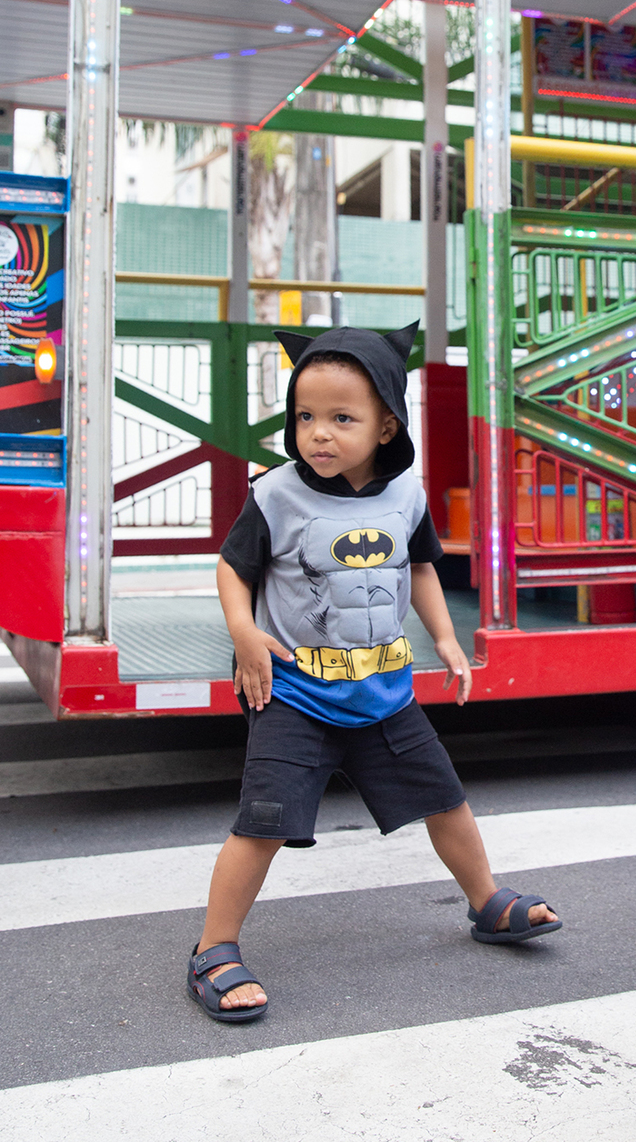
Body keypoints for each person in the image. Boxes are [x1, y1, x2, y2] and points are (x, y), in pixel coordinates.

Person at [188, 323, 560, 1024]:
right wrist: (244, 634)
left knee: (445, 800)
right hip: (295, 692)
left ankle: (487, 903)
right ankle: (214, 947)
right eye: (304, 417)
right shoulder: (275, 496)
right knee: (261, 825)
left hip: (384, 693)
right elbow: (233, 569)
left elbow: (420, 568)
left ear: (387, 424)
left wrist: (446, 638)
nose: (318, 434)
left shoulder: (406, 496)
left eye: (341, 419)